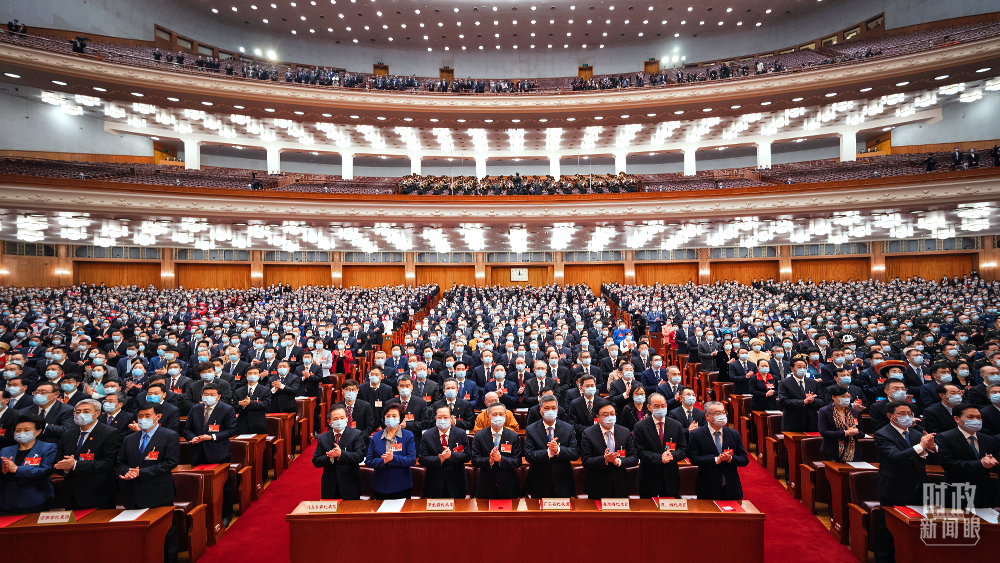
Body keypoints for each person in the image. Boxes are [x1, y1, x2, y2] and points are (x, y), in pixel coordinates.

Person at [873, 400, 936, 563]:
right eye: (902, 414)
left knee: (916, 524)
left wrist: (932, 448)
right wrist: (920, 447)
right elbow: (895, 457)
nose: (907, 416)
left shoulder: (916, 434)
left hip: (918, 486)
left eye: (909, 413)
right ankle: (884, 558)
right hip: (893, 487)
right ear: (890, 416)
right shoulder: (883, 434)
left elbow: (930, 458)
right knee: (888, 526)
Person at [117, 402, 180, 563]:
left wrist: (141, 473)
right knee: (136, 535)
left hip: (158, 492)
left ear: (158, 417)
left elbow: (170, 462)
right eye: (140, 416)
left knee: (165, 534)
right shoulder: (129, 439)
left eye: (147, 416)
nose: (143, 419)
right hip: (132, 493)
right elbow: (119, 463)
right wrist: (127, 472)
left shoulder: (169, 435)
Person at [184, 383, 238, 526]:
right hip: (198, 452)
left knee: (222, 486)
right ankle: (201, 516)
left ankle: (225, 514)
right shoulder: (195, 409)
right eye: (206, 394)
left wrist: (212, 437)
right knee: (198, 486)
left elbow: (231, 430)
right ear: (201, 396)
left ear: (218, 396)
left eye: (212, 395)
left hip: (218, 452)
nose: (208, 397)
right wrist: (192, 438)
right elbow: (187, 429)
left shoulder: (227, 409)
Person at [55, 398, 122, 509]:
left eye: (86, 412)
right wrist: (65, 467)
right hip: (71, 493)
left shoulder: (110, 433)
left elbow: (109, 463)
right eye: (77, 412)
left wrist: (76, 465)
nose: (81, 414)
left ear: (97, 413)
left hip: (98, 493)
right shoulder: (68, 434)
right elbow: (58, 460)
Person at [935, 403, 998, 509]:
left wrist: (994, 463)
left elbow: (996, 461)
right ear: (957, 419)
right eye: (970, 417)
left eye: (978, 417)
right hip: (958, 490)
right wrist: (980, 463)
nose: (976, 420)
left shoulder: (988, 439)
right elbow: (948, 464)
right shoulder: (945, 437)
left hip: (984, 492)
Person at [686, 401, 749, 500]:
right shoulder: (697, 435)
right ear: (707, 416)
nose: (722, 416)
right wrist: (715, 460)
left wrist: (730, 458)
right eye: (718, 413)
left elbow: (744, 459)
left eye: (723, 413)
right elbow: (693, 459)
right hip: (707, 488)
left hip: (731, 488)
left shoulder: (734, 434)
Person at [523, 393, 579, 498]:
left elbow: (575, 453)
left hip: (563, 480)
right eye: (547, 408)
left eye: (553, 407)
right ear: (541, 410)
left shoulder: (568, 428)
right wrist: (548, 452)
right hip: (539, 481)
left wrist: (558, 450)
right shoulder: (531, 429)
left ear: (557, 409)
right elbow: (529, 455)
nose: (550, 410)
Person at [633, 393, 688, 498]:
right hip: (648, 479)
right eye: (656, 406)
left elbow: (683, 449)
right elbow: (639, 451)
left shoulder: (676, 425)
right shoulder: (640, 426)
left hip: (670, 478)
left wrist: (673, 455)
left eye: (663, 406)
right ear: (649, 407)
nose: (660, 408)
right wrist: (660, 457)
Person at [0, 414, 57, 514]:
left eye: (26, 430)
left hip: (35, 499)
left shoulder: (47, 448)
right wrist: (3, 472)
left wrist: (17, 469)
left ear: (38, 432)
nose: (21, 433)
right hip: (7, 501)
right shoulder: (6, 450)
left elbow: (45, 471)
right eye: (18, 430)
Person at [581, 403, 637, 499]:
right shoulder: (588, 434)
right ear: (598, 417)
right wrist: (604, 459)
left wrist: (618, 461)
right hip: (597, 486)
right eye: (605, 415)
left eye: (612, 414)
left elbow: (634, 458)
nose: (609, 417)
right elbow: (586, 461)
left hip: (620, 486)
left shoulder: (625, 432)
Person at [312, 404, 367, 500]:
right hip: (330, 486)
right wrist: (330, 457)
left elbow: (359, 456)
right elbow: (316, 461)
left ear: (347, 419)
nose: (339, 421)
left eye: (342, 418)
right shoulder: (323, 438)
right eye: (336, 418)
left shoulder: (356, 434)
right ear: (329, 422)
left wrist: (341, 454)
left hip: (350, 484)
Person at [418, 405, 471, 499]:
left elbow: (467, 456)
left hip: (457, 483)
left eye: (445, 417)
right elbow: (422, 459)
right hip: (434, 483)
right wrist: (439, 458)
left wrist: (451, 456)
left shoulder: (460, 433)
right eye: (439, 417)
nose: (442, 420)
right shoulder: (427, 435)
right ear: (435, 418)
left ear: (451, 418)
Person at [364, 403, 416, 499]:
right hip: (380, 484)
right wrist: (383, 461)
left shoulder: (408, 436)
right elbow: (369, 461)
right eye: (388, 416)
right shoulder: (376, 437)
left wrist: (393, 458)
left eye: (394, 416)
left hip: (401, 485)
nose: (390, 418)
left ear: (400, 419)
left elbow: (411, 460)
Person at [471, 402, 522, 499]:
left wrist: (500, 459)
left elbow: (517, 462)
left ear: (505, 415)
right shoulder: (479, 436)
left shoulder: (513, 436)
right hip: (485, 486)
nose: (498, 417)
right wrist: (489, 460)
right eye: (494, 414)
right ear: (488, 416)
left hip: (508, 486)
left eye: (501, 414)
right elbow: (475, 460)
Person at [817, 385, 866, 462]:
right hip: (832, 451)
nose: (846, 399)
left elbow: (862, 433)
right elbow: (823, 432)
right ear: (833, 397)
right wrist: (845, 433)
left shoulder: (854, 412)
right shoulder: (825, 411)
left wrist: (855, 432)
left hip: (853, 452)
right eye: (843, 396)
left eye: (848, 396)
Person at [777, 357, 825, 431]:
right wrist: (803, 402)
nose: (802, 369)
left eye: (804, 367)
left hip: (811, 421)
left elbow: (821, 401)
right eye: (799, 367)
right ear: (792, 369)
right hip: (793, 421)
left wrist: (813, 401)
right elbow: (783, 401)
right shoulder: (784, 383)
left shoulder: (813, 382)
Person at [27, 381, 74, 445]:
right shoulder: (25, 410)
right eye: (36, 392)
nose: (38, 395)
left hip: (54, 447)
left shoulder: (67, 410)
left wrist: (41, 426)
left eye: (43, 393)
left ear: (56, 394)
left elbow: (66, 430)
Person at [232, 366, 271, 434]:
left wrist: (250, 403)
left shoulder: (265, 390)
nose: (252, 375)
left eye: (255, 373)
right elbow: (234, 408)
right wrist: (242, 405)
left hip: (258, 424)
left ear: (259, 375)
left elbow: (266, 405)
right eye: (250, 373)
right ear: (246, 376)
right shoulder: (239, 391)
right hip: (242, 425)